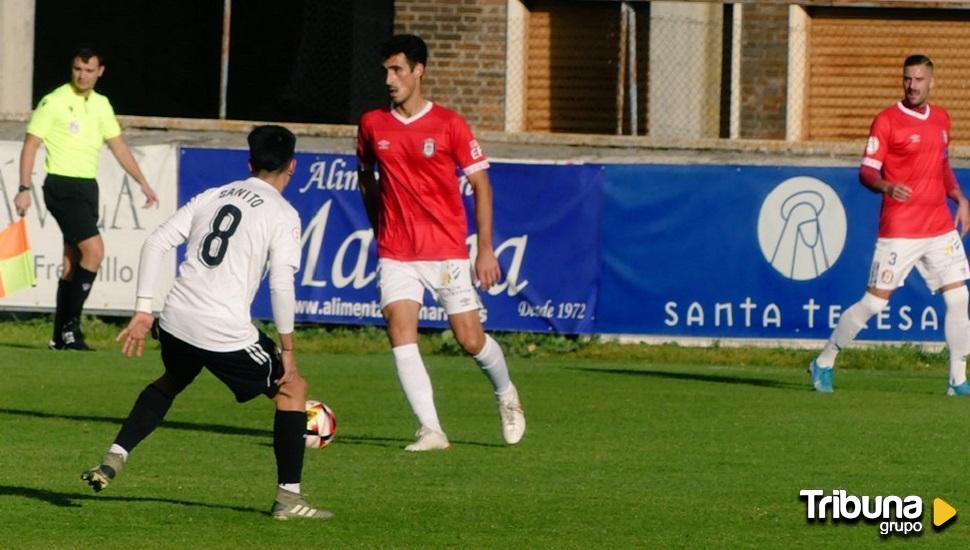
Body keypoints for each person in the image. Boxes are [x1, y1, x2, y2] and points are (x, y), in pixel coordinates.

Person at [81, 125, 332, 520]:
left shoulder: (212, 195)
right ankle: (288, 498)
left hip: (176, 321)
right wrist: (288, 352)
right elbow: (282, 283)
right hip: (222, 330)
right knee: (292, 390)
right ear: (293, 166)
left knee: (172, 380)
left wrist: (145, 310)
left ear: (249, 163)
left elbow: (155, 242)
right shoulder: (283, 214)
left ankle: (114, 457)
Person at [356, 34, 525, 451]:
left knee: (469, 339)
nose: (389, 79)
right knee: (400, 332)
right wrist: (380, 226)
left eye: (397, 70)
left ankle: (506, 393)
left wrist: (484, 249)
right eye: (385, 71)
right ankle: (431, 429)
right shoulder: (371, 124)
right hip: (397, 251)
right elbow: (366, 179)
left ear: (418, 71)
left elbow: (481, 185)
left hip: (446, 250)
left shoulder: (449, 124)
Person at [810, 54, 970, 396]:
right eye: (907, 79)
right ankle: (824, 361)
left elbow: (942, 167)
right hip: (901, 228)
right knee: (875, 304)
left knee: (958, 299)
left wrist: (960, 198)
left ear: (932, 82)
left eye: (919, 79)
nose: (912, 86)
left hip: (939, 225)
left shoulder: (941, 119)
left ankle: (957, 380)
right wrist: (886, 185)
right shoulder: (887, 120)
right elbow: (867, 171)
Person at [14, 45, 158, 351]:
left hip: (86, 188)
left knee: (72, 262)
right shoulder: (54, 101)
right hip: (61, 187)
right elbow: (31, 144)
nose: (83, 75)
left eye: (89, 70)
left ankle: (59, 336)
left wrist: (143, 182)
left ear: (100, 71)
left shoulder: (102, 104)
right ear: (72, 68)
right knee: (94, 251)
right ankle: (71, 330)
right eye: (78, 69)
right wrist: (24, 188)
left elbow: (118, 146)